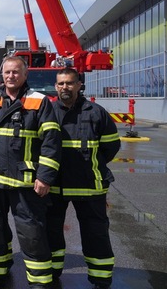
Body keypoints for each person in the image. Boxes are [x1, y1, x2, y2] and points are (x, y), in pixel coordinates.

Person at [0, 56, 61, 289]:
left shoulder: (39, 101)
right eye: (7, 72)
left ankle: (39, 281)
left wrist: (45, 177)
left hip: (26, 181)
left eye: (16, 72)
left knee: (31, 232)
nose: (11, 76)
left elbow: (51, 141)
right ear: (1, 75)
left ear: (25, 74)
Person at [47, 68, 120, 289]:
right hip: (55, 185)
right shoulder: (47, 112)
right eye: (61, 83)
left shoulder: (96, 112)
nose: (65, 87)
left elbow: (111, 147)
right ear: (56, 86)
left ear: (79, 85)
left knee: (95, 233)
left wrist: (91, 165)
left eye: (69, 83)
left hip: (89, 185)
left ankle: (100, 278)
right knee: (51, 231)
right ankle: (52, 272)